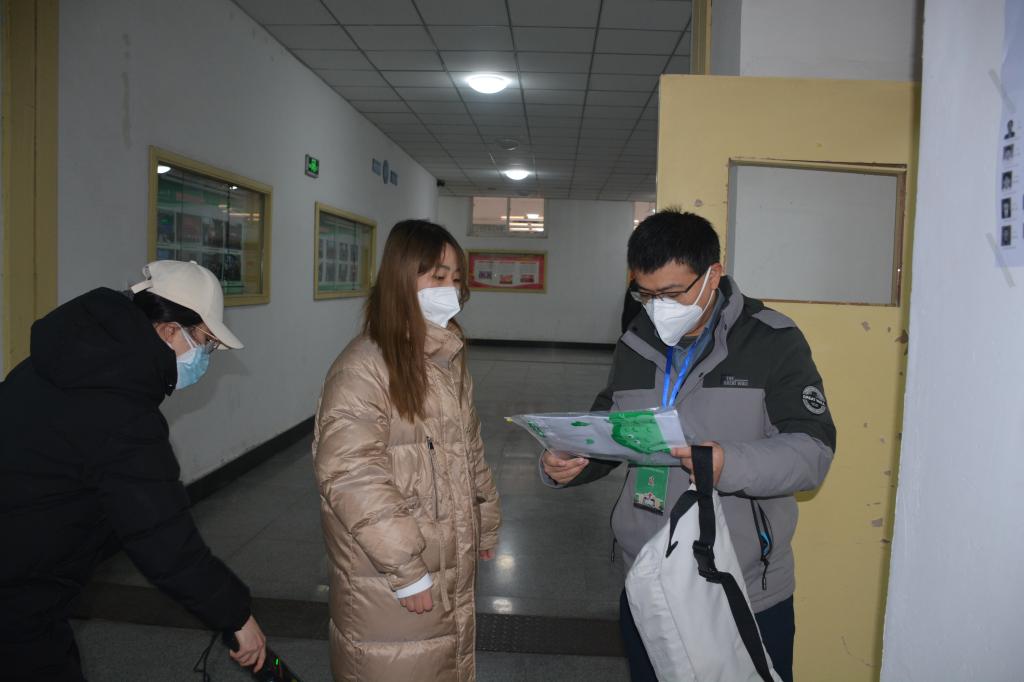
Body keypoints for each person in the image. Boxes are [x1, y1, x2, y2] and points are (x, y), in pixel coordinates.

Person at [540, 210, 836, 682]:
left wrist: (729, 464)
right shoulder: (636, 340)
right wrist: (573, 459)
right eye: (645, 293)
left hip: (740, 584)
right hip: (648, 578)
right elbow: (611, 426)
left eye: (673, 293)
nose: (658, 307)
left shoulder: (773, 341)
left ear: (713, 275)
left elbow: (812, 452)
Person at [0, 260, 267, 681]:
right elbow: (163, 537)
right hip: (20, 596)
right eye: (205, 343)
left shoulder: (54, 363)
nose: (205, 358)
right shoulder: (123, 415)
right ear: (169, 331)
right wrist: (236, 616)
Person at [313, 220, 501, 682]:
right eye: (437, 276)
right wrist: (407, 570)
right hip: (389, 575)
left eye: (456, 278)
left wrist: (485, 523)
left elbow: (469, 449)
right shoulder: (363, 367)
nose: (450, 289)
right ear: (401, 278)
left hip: (443, 557)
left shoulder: (445, 360)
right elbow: (350, 474)